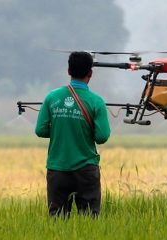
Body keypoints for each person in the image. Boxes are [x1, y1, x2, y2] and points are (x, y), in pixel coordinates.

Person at [35, 51, 111, 218]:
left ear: (68, 71)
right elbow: (102, 137)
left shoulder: (52, 97)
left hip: (57, 168)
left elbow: (40, 130)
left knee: (58, 221)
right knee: (90, 221)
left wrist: (60, 129)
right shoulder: (96, 102)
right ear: (90, 73)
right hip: (86, 169)